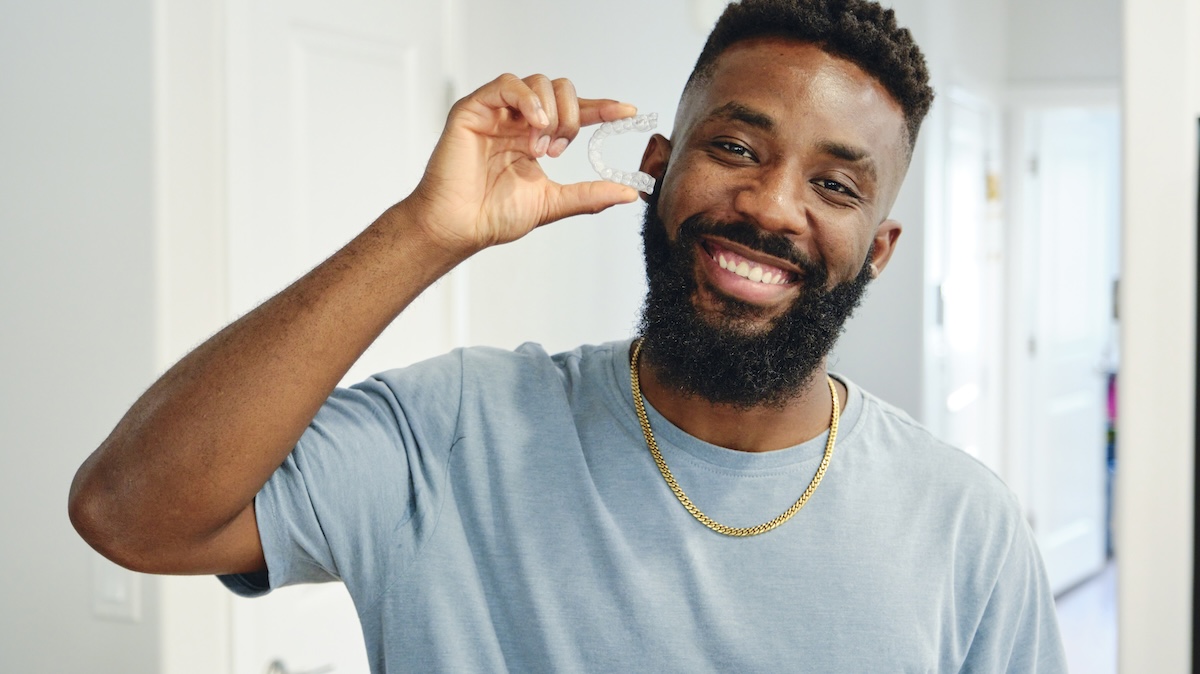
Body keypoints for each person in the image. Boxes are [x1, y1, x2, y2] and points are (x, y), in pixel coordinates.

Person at [69, 0, 1068, 671]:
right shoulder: (455, 435)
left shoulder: (965, 531)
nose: (770, 204)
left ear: (879, 247)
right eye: (734, 146)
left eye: (834, 183)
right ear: (658, 164)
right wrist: (425, 230)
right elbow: (129, 509)